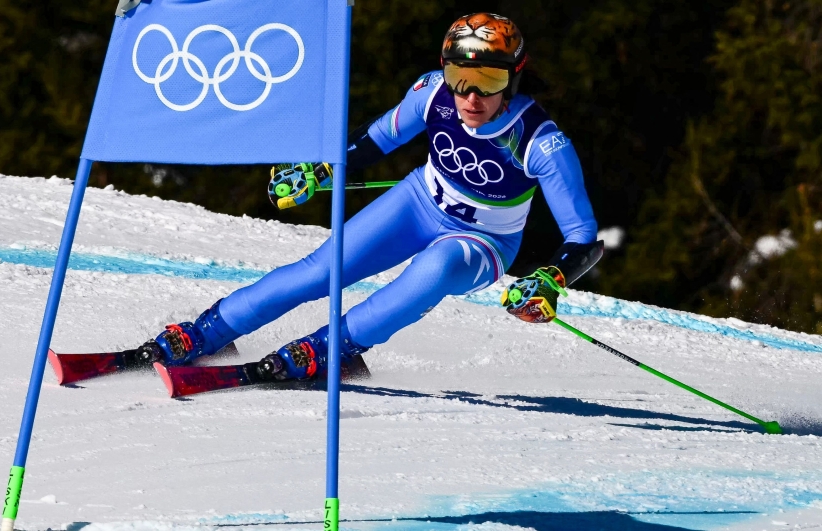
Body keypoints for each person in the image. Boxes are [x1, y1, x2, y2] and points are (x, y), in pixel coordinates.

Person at [136, 13, 602, 380]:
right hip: (419, 201)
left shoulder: (540, 141)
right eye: (461, 76)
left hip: (483, 242)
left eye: (489, 81)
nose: (471, 96)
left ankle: (330, 349)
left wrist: (551, 279)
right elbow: (378, 138)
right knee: (320, 271)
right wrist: (319, 170)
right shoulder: (433, 93)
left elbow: (582, 235)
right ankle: (207, 333)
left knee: (434, 269)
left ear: (513, 79)